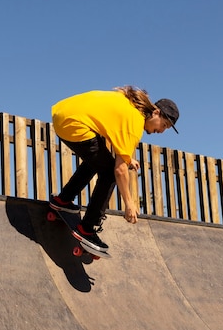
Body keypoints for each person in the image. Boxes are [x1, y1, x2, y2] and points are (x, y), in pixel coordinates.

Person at [49, 86, 179, 253]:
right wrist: (129, 203)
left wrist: (127, 157)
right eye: (164, 125)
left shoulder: (130, 105)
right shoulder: (135, 121)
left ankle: (63, 200)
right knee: (110, 173)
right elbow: (120, 170)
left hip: (63, 113)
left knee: (98, 160)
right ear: (155, 113)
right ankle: (87, 228)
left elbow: (110, 126)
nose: (161, 131)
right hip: (73, 124)